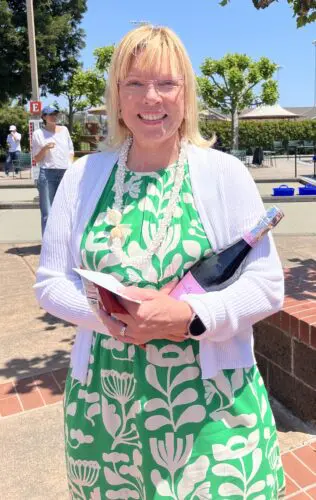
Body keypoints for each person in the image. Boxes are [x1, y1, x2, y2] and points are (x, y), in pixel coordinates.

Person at [34, 25, 285, 499]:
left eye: (166, 83)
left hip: (215, 411)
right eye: (134, 83)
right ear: (118, 96)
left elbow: (267, 285)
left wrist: (191, 317)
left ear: (186, 94)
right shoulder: (82, 176)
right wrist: (116, 319)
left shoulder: (224, 174)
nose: (151, 98)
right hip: (106, 414)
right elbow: (50, 283)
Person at [32, 105, 74, 234]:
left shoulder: (64, 130)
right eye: (50, 114)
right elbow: (37, 159)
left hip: (64, 173)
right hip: (47, 174)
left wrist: (69, 167)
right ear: (44, 117)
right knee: (48, 212)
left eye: (55, 114)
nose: (54, 117)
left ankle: (62, 242)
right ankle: (47, 246)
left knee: (65, 211)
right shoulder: (38, 134)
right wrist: (44, 149)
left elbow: (70, 151)